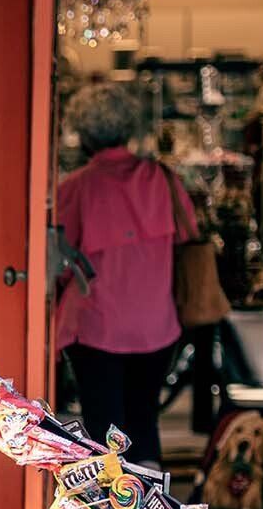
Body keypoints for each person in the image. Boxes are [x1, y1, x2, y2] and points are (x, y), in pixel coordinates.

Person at [54, 83, 195, 467]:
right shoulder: (164, 179)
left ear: (82, 133)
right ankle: (152, 508)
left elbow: (58, 255)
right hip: (156, 323)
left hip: (97, 324)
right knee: (144, 416)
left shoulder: (76, 187)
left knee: (103, 427)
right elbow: (190, 235)